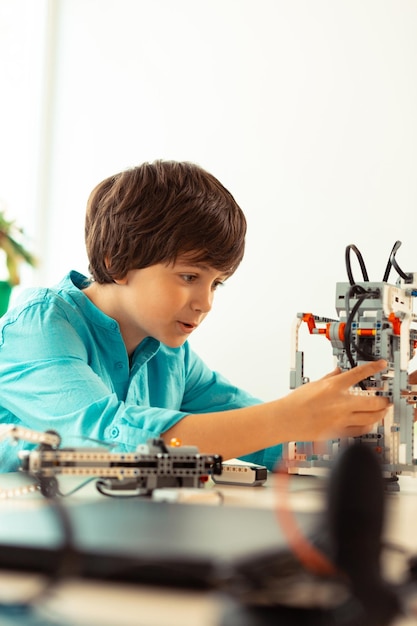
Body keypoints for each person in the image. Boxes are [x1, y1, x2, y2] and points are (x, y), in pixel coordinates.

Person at [0, 160, 388, 473]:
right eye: (189, 277)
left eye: (217, 283)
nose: (206, 303)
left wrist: (365, 420)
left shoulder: (172, 358)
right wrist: (288, 416)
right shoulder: (40, 326)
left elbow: (266, 438)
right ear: (116, 263)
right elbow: (105, 441)